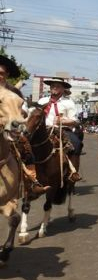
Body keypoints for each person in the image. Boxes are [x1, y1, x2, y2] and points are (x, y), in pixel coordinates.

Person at [0, 55, 48, 196]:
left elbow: (25, 112)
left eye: (1, 73)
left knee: (26, 148)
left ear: (7, 75)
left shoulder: (13, 91)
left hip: (7, 131)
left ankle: (31, 182)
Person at [37, 77, 82, 181]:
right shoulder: (42, 101)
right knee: (25, 144)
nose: (54, 88)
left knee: (76, 143)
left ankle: (73, 171)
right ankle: (26, 172)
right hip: (43, 130)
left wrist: (62, 121)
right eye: (53, 86)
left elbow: (75, 121)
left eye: (58, 86)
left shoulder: (69, 103)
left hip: (62, 130)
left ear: (63, 89)